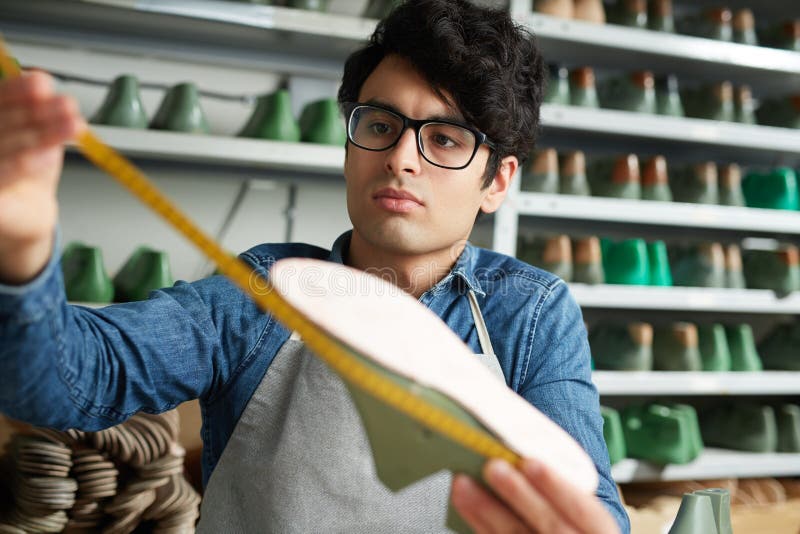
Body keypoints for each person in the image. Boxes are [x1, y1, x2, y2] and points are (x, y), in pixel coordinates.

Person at [0, 0, 629, 532]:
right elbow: (70, 381)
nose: (401, 158)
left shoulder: (529, 313)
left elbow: (592, 505)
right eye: (380, 124)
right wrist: (22, 254)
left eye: (444, 138)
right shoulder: (259, 296)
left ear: (498, 181)